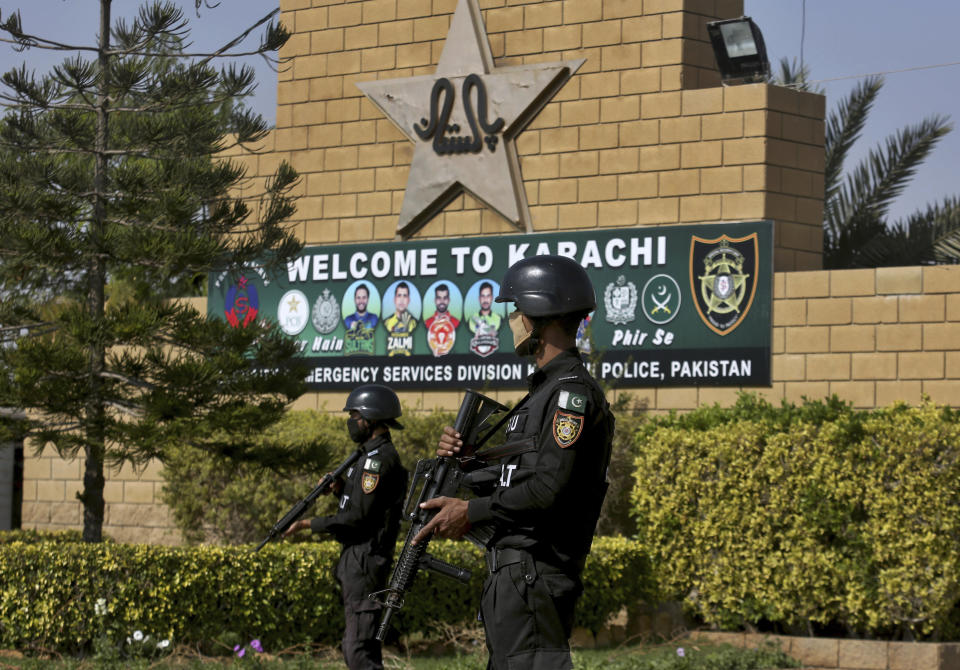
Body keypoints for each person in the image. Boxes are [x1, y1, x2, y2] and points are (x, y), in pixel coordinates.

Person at [412, 255, 615, 670]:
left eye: (517, 310)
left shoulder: (568, 396)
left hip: (535, 580)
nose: (512, 320)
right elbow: (518, 478)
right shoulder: (540, 395)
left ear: (541, 315)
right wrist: (465, 464)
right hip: (515, 582)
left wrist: (470, 511)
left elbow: (547, 489)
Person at [284, 384, 409, 670]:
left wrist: (306, 524)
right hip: (358, 557)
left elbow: (358, 519)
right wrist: (341, 489)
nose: (351, 422)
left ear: (372, 418)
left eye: (354, 415)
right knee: (363, 646)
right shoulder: (366, 457)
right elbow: (366, 505)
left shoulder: (377, 462)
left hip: (366, 558)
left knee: (357, 649)